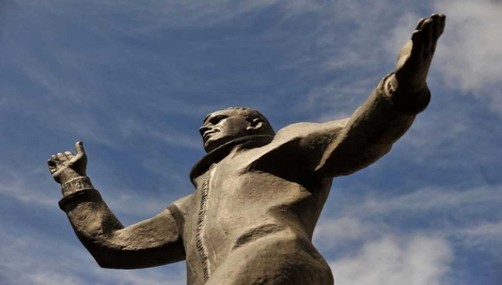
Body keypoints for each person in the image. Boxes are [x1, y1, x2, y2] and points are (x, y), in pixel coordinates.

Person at [48, 14, 445, 285]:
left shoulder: (284, 147)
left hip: (270, 255)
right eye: (205, 123)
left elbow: (358, 136)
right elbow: (115, 247)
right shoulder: (189, 209)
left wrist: (401, 89)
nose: (206, 126)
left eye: (218, 119)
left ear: (253, 124)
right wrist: (74, 182)